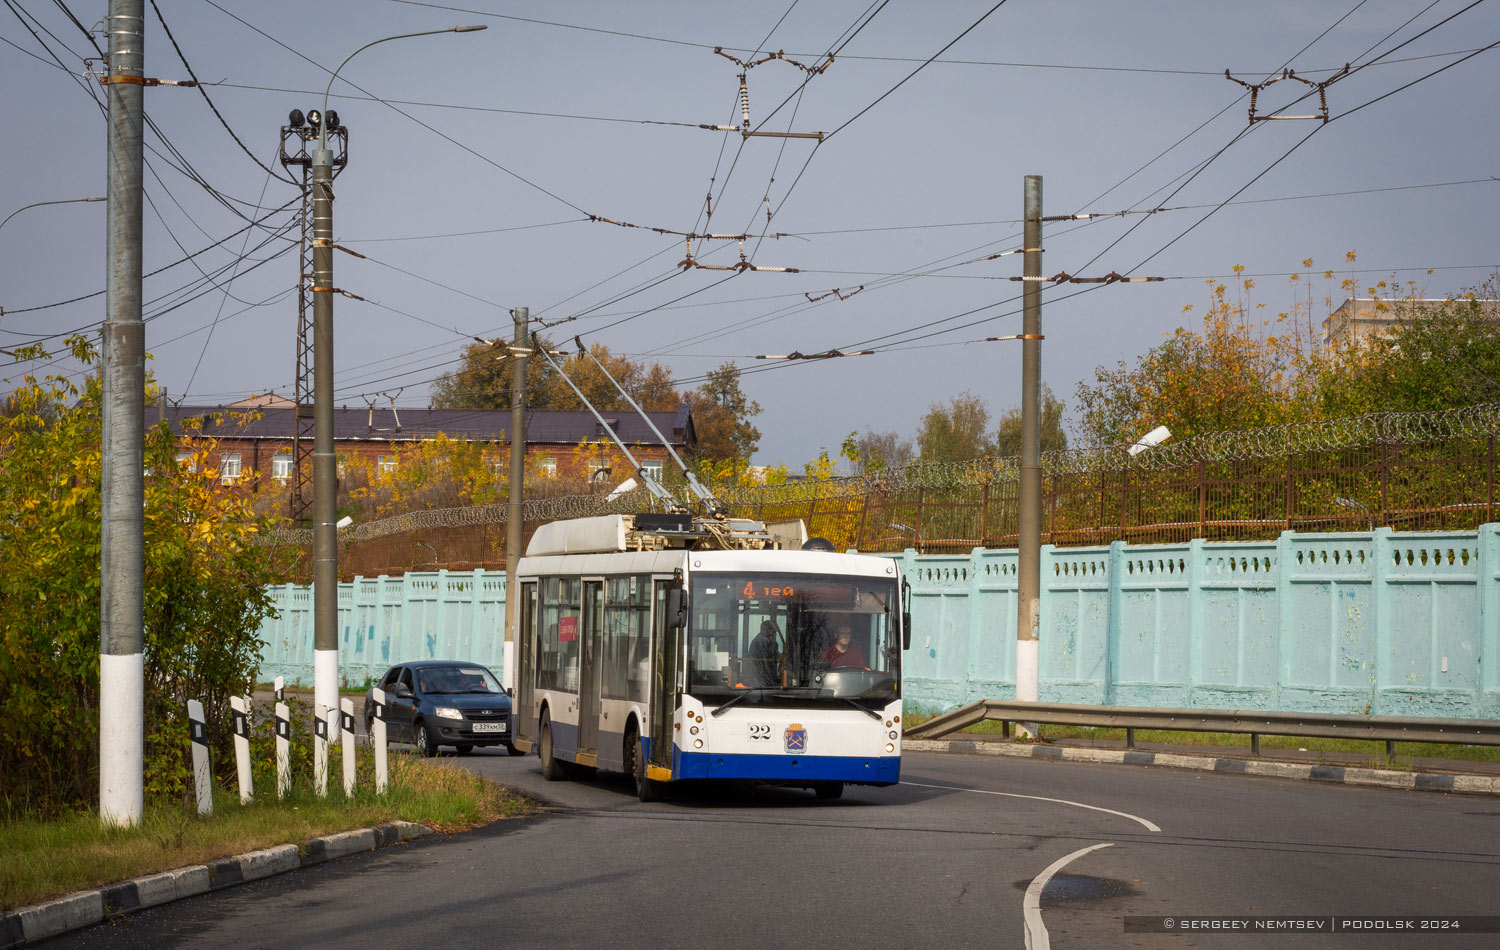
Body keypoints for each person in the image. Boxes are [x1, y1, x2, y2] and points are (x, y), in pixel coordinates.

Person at [746, 619, 782, 687]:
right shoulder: (762, 640)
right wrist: (771, 678)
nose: (774, 633)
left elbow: (773, 654)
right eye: (773, 631)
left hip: (759, 675)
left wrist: (782, 656)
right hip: (760, 677)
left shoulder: (762, 639)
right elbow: (766, 660)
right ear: (768, 630)